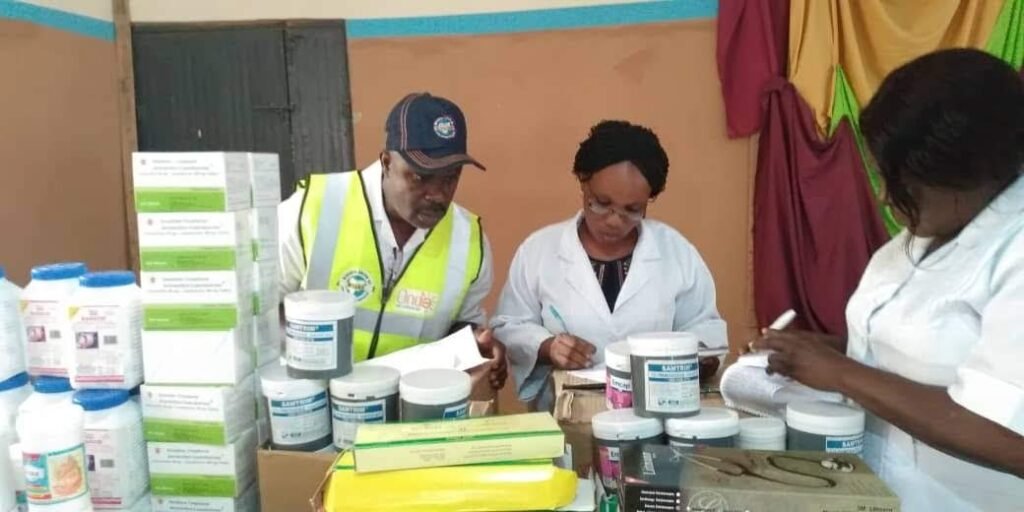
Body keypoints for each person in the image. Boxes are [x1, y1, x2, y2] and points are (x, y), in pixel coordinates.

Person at [750, 49, 1024, 510]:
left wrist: (842, 373)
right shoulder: (921, 236)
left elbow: (1007, 432)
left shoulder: (1014, 251)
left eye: (902, 185)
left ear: (968, 174)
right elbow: (923, 349)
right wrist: (818, 351)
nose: (882, 196)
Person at [491, 120, 728, 408]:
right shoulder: (540, 251)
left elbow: (705, 328)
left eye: (632, 210)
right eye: (601, 203)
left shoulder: (675, 252)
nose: (614, 221)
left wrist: (698, 360)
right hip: (565, 417)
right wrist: (547, 346)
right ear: (582, 181)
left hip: (655, 415)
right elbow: (508, 325)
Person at [278, 92, 507, 389]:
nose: (438, 194)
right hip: (313, 401)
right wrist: (316, 362)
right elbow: (262, 313)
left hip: (412, 412)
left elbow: (462, 322)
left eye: (450, 177)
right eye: (421, 177)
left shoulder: (469, 240)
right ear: (386, 161)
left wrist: (476, 343)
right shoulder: (312, 210)